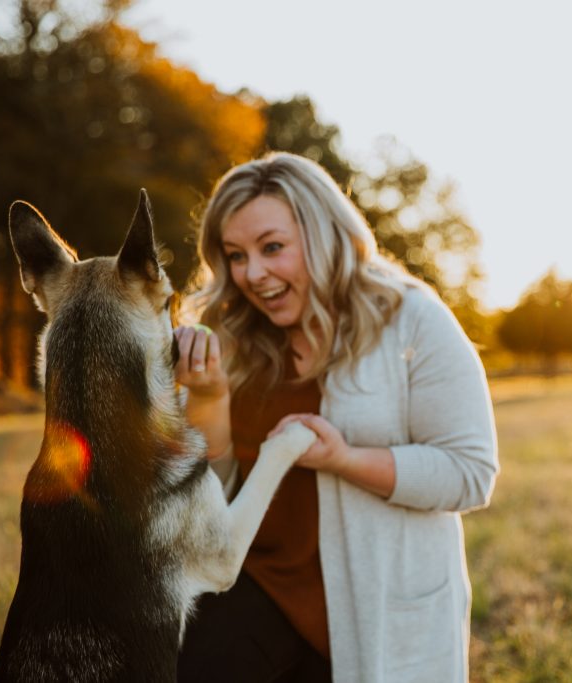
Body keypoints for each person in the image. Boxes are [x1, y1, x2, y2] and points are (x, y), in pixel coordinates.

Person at [172, 152, 499, 683]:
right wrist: (208, 399)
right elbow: (211, 499)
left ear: (324, 235)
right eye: (235, 256)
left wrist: (344, 458)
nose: (252, 274)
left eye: (272, 247)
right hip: (258, 592)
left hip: (378, 610)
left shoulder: (412, 320)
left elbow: (470, 473)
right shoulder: (232, 337)